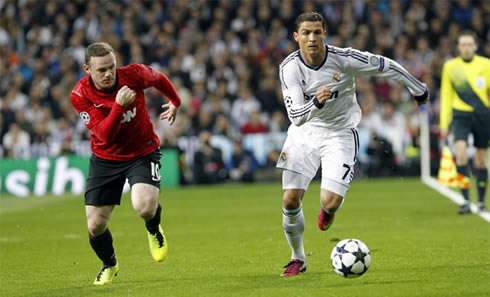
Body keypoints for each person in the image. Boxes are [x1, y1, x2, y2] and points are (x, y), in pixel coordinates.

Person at [276, 12, 429, 276]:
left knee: (331, 201)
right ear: (296, 37)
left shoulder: (344, 58)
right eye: (306, 33)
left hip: (340, 134)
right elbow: (296, 117)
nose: (311, 38)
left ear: (324, 33)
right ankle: (297, 258)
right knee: (290, 200)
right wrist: (316, 102)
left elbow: (385, 65)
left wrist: (417, 88)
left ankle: (328, 210)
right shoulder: (289, 67)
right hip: (303, 134)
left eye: (316, 32)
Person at [70, 42, 181, 285]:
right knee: (96, 224)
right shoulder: (80, 95)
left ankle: (154, 229)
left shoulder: (133, 74)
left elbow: (159, 79)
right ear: (87, 68)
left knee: (144, 207)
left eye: (111, 67)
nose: (109, 74)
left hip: (142, 152)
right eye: (101, 70)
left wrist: (175, 101)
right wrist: (119, 106)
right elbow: (105, 135)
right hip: (105, 158)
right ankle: (109, 264)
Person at [440, 31, 489, 214]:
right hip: (460, 115)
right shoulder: (450, 67)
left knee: (480, 160)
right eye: (463, 44)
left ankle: (482, 202)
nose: (467, 47)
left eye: (470, 44)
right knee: (460, 155)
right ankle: (466, 201)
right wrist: (444, 123)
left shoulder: (486, 65)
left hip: (482, 115)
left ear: (475, 46)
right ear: (458, 47)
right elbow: (446, 95)